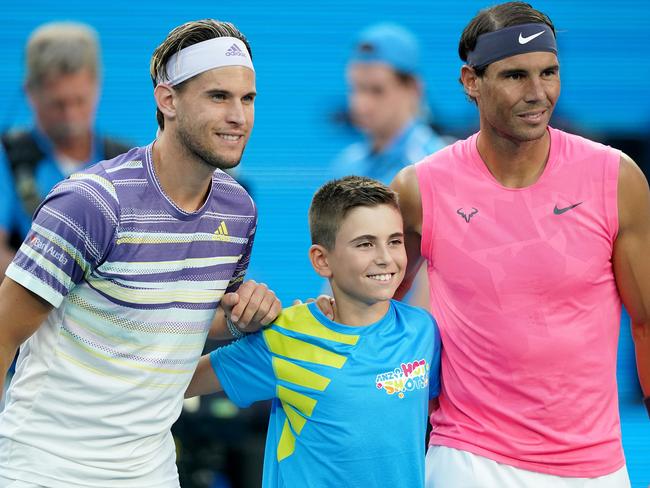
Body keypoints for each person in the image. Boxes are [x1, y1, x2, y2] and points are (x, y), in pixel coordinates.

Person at [0, 19, 281, 487]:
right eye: (218, 96)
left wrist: (242, 317)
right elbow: (3, 331)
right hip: (43, 469)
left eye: (247, 98)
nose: (239, 116)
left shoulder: (240, 210)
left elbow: (183, 316)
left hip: (151, 471)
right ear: (167, 100)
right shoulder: (91, 202)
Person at [390, 2, 650, 487]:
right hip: (466, 457)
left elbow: (647, 320)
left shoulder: (616, 178)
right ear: (471, 82)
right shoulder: (418, 190)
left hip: (594, 466)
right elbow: (374, 310)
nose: (537, 93)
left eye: (549, 72)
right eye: (515, 76)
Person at [186, 176, 442, 487]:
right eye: (365, 243)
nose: (385, 258)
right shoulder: (287, 338)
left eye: (395, 241)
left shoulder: (423, 332)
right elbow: (174, 383)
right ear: (322, 260)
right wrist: (227, 325)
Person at [331, 23, 448, 310]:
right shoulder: (347, 163)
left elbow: (435, 275)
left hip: (405, 344)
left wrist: (415, 349)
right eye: (356, 89)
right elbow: (336, 262)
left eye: (376, 91)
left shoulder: (436, 164)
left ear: (413, 90)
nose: (361, 104)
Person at [0, 22, 131, 276]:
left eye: (79, 101)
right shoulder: (7, 157)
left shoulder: (125, 161)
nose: (71, 116)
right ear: (30, 93)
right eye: (58, 104)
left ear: (97, 87)